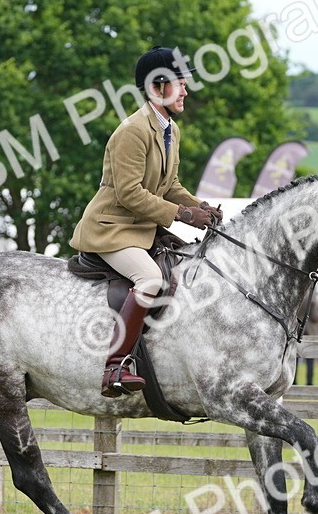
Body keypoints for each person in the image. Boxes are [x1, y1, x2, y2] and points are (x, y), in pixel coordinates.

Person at [70, 46, 221, 398]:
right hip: (112, 229)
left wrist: (201, 207)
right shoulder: (132, 131)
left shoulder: (170, 130)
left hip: (141, 230)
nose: (186, 90)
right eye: (180, 84)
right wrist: (184, 215)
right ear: (158, 87)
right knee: (150, 279)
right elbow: (129, 194)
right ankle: (115, 366)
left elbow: (170, 186)